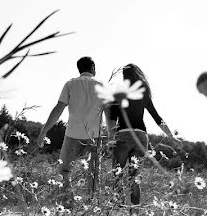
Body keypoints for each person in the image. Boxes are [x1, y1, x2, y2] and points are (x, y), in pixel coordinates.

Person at [106, 64, 177, 205]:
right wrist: (171, 137)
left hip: (123, 135)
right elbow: (157, 118)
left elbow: (112, 120)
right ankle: (134, 215)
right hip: (141, 137)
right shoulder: (143, 92)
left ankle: (117, 213)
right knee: (134, 177)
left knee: (117, 175)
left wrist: (110, 139)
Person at [36, 56, 106, 196]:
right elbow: (109, 111)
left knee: (63, 172)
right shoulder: (102, 86)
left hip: (72, 134)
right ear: (92, 67)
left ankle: (67, 204)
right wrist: (111, 134)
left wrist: (43, 132)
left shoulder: (70, 84)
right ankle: (91, 206)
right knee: (93, 174)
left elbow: (59, 108)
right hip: (95, 136)